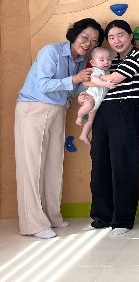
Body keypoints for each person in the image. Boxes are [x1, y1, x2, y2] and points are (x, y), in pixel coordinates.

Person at [15, 18, 102, 238]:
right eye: (85, 37)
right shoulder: (51, 52)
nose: (88, 43)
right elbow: (43, 84)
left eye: (94, 41)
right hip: (33, 108)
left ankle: (51, 216)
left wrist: (83, 93)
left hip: (58, 110)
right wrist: (75, 78)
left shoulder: (80, 61)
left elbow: (72, 90)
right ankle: (33, 224)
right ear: (74, 35)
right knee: (31, 167)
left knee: (53, 165)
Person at [84, 19, 139, 235]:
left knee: (124, 164)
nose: (116, 41)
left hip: (126, 110)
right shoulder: (108, 61)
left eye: (120, 35)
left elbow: (113, 79)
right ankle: (102, 215)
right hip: (103, 112)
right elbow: (88, 82)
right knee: (100, 163)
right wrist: (90, 84)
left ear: (130, 36)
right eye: (111, 37)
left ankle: (123, 219)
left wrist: (94, 81)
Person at [76, 47, 115, 145]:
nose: (106, 62)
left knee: (91, 121)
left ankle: (84, 135)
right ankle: (79, 116)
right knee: (89, 106)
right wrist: (105, 84)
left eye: (108, 59)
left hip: (98, 101)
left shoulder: (107, 71)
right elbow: (94, 80)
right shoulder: (95, 70)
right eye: (102, 60)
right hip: (91, 97)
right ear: (93, 62)